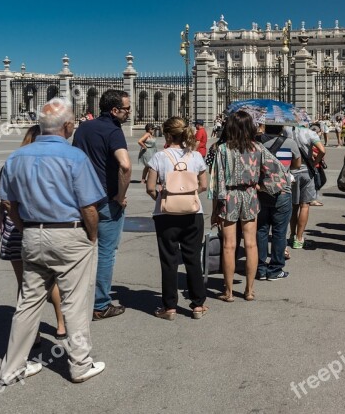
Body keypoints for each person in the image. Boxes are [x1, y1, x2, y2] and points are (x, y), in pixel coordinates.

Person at [0, 98, 106, 385]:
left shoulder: (16, 157)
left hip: (32, 233)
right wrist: (91, 235)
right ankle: (80, 364)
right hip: (69, 233)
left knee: (28, 302)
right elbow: (89, 208)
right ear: (68, 125)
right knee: (76, 300)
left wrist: (23, 228)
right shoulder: (75, 157)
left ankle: (12, 369)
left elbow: (8, 202)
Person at [0, 125, 66, 347]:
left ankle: (31, 333)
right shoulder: (47, 163)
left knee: (24, 285)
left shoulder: (13, 161)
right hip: (37, 227)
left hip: (14, 230)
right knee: (49, 280)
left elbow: (4, 199)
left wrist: (5, 222)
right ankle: (61, 323)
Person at [210, 111, 287, 302]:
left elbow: (217, 181)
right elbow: (279, 172)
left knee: (229, 245)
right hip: (251, 195)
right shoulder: (257, 148)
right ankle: (249, 290)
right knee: (251, 243)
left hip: (229, 195)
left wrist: (215, 209)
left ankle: (228, 292)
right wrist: (263, 186)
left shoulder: (222, 150)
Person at [72, 89, 132, 321]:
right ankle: (100, 304)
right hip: (106, 202)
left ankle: (76, 300)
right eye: (126, 109)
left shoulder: (84, 127)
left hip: (81, 200)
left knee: (82, 250)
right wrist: (120, 195)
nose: (129, 112)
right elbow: (125, 166)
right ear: (114, 110)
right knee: (106, 252)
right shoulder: (114, 131)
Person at [145, 117, 208, 320]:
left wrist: (162, 197)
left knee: (169, 260)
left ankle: (169, 307)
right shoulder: (196, 156)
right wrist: (188, 194)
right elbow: (204, 186)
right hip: (193, 213)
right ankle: (198, 305)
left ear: (167, 135)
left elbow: (150, 187)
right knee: (193, 258)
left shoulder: (158, 157)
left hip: (165, 214)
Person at [255, 123, 300, 280]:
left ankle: (260, 268)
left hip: (260, 190)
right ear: (281, 128)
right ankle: (275, 269)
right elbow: (297, 164)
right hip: (282, 190)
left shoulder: (256, 142)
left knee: (260, 231)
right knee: (279, 232)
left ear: (265, 127)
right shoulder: (290, 143)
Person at [288, 122, 325, 249]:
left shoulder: (286, 132)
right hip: (306, 171)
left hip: (291, 171)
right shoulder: (310, 133)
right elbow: (322, 150)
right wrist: (315, 162)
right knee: (305, 205)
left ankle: (292, 235)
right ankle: (299, 239)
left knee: (293, 206)